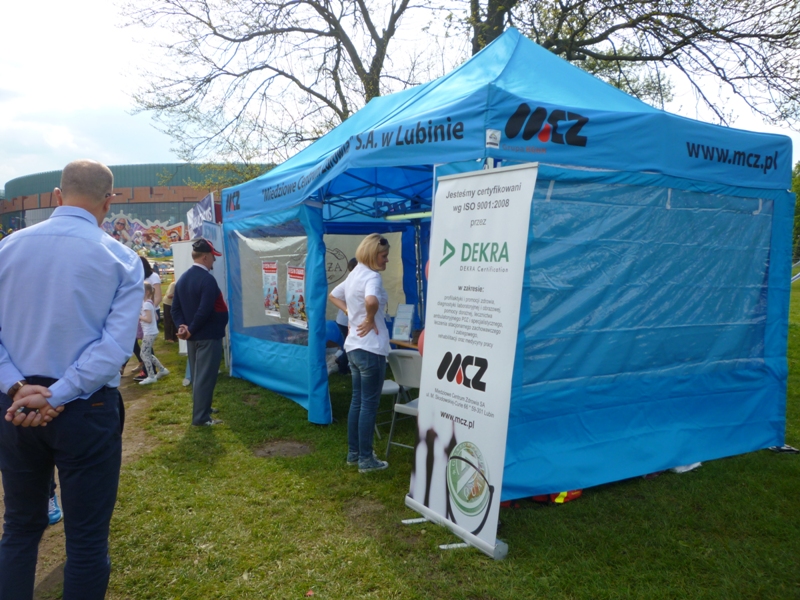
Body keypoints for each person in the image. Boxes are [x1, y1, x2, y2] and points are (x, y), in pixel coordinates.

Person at [0, 159, 143, 599]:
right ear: (108, 201)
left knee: (19, 528)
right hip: (86, 407)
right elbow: (114, 348)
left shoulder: (7, 249)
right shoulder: (121, 258)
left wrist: (18, 387)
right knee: (86, 540)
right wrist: (57, 394)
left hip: (16, 406)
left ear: (57, 196)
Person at [329, 234, 391, 473]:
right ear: (373, 254)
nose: (386, 260)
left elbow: (333, 295)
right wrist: (368, 317)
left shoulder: (354, 273)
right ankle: (366, 459)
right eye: (384, 256)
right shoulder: (372, 276)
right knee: (368, 404)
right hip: (370, 348)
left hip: (353, 347)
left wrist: (351, 314)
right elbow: (372, 300)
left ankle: (354, 453)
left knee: (357, 401)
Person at [171, 238, 228, 426]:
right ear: (205, 257)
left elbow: (175, 309)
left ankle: (204, 408)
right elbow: (204, 310)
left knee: (198, 376)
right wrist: (190, 329)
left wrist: (182, 327)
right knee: (205, 378)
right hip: (207, 335)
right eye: (213, 257)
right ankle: (201, 418)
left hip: (194, 336)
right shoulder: (207, 279)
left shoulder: (183, 278)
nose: (214, 261)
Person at [138, 282, 170, 385]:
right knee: (147, 354)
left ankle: (151, 376)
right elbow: (155, 317)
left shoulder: (146, 304)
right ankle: (162, 370)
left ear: (147, 292)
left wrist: (138, 316)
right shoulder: (149, 302)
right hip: (151, 332)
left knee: (143, 354)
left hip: (149, 333)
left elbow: (149, 319)